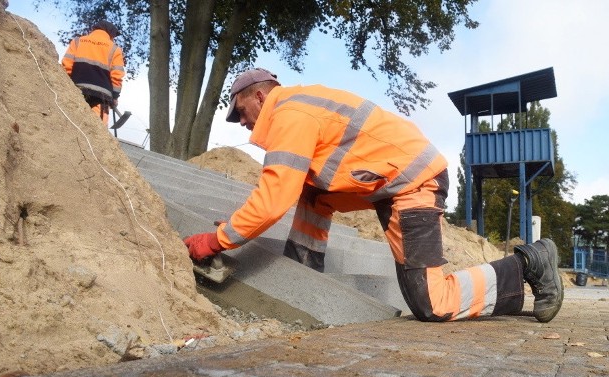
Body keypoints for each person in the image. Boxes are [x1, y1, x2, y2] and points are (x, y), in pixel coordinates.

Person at [183, 68, 564, 323]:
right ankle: (302, 265)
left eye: (240, 110)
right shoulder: (298, 106)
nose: (241, 121)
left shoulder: (289, 115)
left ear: (261, 97)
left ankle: (530, 263)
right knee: (311, 191)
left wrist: (217, 240)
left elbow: (272, 198)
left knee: (432, 304)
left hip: (414, 183)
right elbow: (295, 189)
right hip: (390, 188)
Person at [61, 20, 125, 125]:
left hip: (75, 91)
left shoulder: (78, 41)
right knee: (96, 131)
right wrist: (115, 97)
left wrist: (66, 86)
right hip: (101, 97)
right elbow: (117, 77)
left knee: (70, 124)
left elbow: (66, 66)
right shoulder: (115, 49)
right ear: (110, 34)